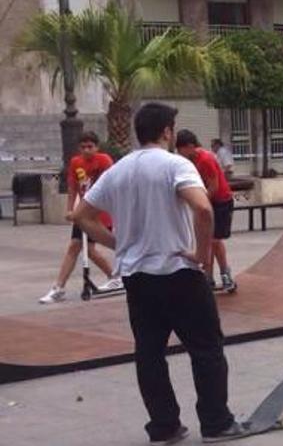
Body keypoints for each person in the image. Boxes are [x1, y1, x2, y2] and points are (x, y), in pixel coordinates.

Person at [72, 103, 244, 443]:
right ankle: (216, 423)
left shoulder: (118, 170)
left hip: (137, 277)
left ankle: (164, 427)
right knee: (206, 348)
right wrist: (201, 254)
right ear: (167, 131)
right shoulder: (175, 164)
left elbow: (81, 216)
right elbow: (203, 208)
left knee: (149, 353)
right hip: (178, 271)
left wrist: (118, 243)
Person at [40, 132, 119, 304]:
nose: (87, 150)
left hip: (100, 210)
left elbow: (113, 183)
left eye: (90, 146)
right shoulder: (76, 163)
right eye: (83, 147)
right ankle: (59, 288)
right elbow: (73, 188)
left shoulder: (104, 160)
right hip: (84, 211)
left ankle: (116, 276)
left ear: (97, 147)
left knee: (89, 248)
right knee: (77, 247)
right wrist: (70, 210)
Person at [176, 130, 237, 292]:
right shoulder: (190, 161)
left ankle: (226, 275)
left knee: (215, 240)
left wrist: (199, 204)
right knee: (206, 240)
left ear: (189, 146)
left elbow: (214, 186)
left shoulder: (205, 159)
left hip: (220, 202)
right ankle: (208, 278)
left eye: (180, 149)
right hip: (206, 201)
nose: (179, 154)